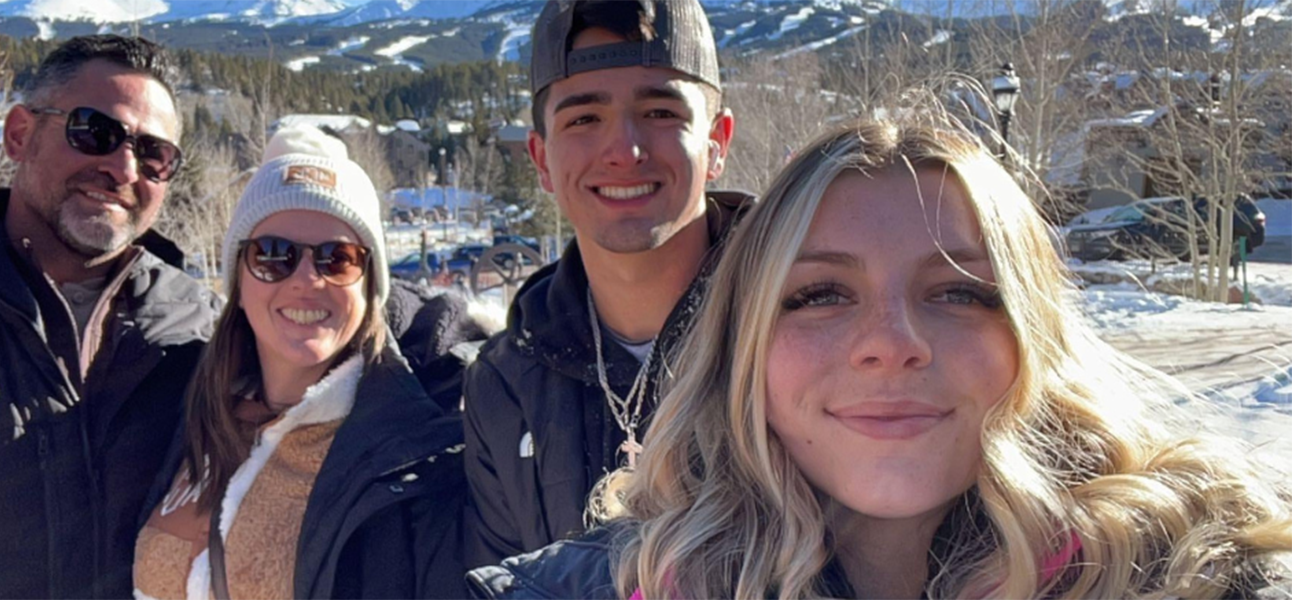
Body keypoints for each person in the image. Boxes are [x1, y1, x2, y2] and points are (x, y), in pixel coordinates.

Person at [468, 113, 1292, 599]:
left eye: (960, 292)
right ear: (743, 348)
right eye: (821, 294)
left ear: (1034, 333)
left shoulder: (1202, 573)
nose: (892, 345)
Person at [0, 35, 219, 600]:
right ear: (20, 135)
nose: (123, 168)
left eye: (154, 154)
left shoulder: (203, 330)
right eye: (94, 131)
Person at [462, 0, 751, 569]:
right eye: (584, 119)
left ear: (717, 141)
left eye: (660, 112)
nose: (624, 151)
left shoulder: (802, 333)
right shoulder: (505, 387)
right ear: (541, 159)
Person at [133, 125, 469, 600]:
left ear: (370, 287)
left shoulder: (413, 459)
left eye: (338, 258)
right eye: (274, 256)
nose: (306, 279)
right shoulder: (191, 407)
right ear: (239, 283)